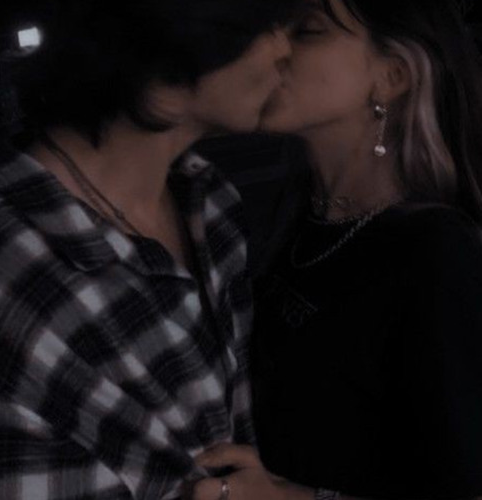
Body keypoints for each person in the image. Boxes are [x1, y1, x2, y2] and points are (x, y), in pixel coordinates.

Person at [0, 0, 298, 498]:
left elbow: (226, 459)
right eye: (259, 26)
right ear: (161, 71)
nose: (284, 48)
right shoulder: (11, 274)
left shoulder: (210, 203)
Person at [190, 0, 482, 499]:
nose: (272, 49)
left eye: (306, 32)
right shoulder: (301, 220)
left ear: (392, 76)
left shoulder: (436, 252)